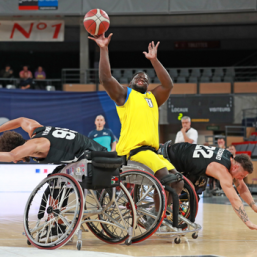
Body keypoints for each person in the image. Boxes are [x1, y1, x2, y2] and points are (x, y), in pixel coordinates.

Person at [88, 33, 184, 220]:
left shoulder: (152, 98)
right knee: (165, 177)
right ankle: (156, 216)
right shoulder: (125, 95)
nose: (142, 78)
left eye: (145, 78)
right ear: (130, 83)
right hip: (134, 150)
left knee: (178, 182)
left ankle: (155, 214)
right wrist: (103, 49)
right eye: (138, 77)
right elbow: (106, 78)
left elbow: (168, 84)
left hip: (152, 153)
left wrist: (154, 60)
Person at [0, 117, 107, 242]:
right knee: (57, 176)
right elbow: (21, 120)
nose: (15, 161)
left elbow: (12, 155)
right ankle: (57, 223)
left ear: (18, 148)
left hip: (91, 160)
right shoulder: (35, 129)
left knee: (56, 181)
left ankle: (57, 226)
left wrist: (12, 154)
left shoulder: (35, 144)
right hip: (97, 154)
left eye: (16, 157)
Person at [164, 142, 257, 230]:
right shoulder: (223, 170)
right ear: (236, 167)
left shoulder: (229, 156)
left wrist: (255, 207)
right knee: (179, 187)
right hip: (173, 157)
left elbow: (242, 188)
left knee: (200, 185)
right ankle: (160, 211)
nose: (241, 179)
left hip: (182, 150)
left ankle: (180, 212)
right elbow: (234, 199)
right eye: (242, 176)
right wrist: (248, 222)